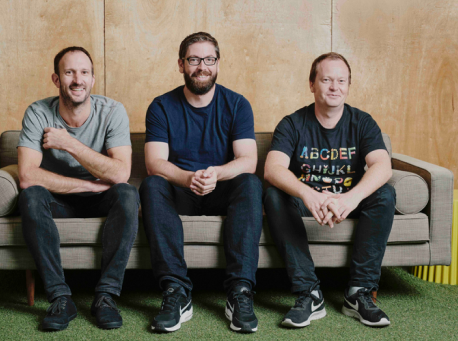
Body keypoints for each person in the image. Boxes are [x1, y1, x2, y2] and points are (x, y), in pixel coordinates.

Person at [139, 32, 263, 333]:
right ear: (182, 64)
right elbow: (154, 162)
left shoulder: (237, 104)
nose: (202, 67)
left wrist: (214, 174)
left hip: (221, 189)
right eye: (194, 60)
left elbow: (248, 159)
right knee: (151, 184)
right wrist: (188, 178)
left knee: (250, 183)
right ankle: (176, 292)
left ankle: (240, 292)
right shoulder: (161, 106)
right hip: (181, 190)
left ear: (217, 63)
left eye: (209, 60)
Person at [263, 52, 396, 328]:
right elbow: (273, 169)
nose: (334, 87)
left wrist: (349, 198)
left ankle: (358, 293)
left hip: (349, 199)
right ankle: (308, 293)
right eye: (326, 80)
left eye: (341, 80)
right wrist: (310, 195)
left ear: (348, 86)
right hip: (307, 201)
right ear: (312, 84)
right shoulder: (292, 123)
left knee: (385, 194)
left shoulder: (362, 122)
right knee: (273, 194)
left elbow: (383, 166)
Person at [17, 46, 139, 331]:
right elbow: (26, 175)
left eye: (84, 72)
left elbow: (121, 173)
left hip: (103, 198)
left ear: (93, 80)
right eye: (69, 72)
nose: (77, 79)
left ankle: (106, 297)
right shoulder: (37, 112)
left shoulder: (112, 111)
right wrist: (87, 184)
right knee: (31, 195)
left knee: (128, 193)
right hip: (58, 200)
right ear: (56, 79)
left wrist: (68, 143)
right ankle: (60, 298)